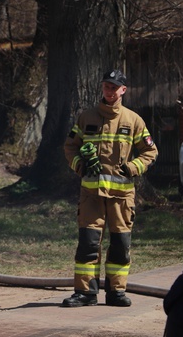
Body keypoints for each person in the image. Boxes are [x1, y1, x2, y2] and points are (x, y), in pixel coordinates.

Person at [61, 69, 158, 308]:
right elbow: (70, 147)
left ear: (123, 90)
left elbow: (150, 152)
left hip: (121, 198)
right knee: (88, 244)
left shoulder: (133, 120)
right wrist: (80, 166)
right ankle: (85, 293)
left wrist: (133, 168)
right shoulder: (87, 118)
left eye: (114, 87)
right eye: (107, 86)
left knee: (120, 245)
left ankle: (116, 292)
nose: (110, 91)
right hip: (91, 196)